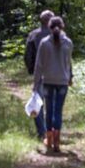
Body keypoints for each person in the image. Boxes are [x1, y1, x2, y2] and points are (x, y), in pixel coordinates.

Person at [31, 16, 73, 153]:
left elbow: (39, 65)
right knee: (58, 111)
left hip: (48, 81)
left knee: (48, 110)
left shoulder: (44, 43)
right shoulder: (68, 43)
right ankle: (57, 142)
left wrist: (35, 83)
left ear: (49, 27)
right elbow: (68, 63)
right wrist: (70, 77)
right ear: (62, 27)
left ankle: (49, 141)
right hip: (62, 81)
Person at [24, 10, 54, 141]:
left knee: (38, 102)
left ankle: (42, 132)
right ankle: (52, 131)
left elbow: (28, 56)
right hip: (55, 73)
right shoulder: (57, 35)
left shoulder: (33, 35)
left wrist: (31, 70)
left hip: (40, 73)